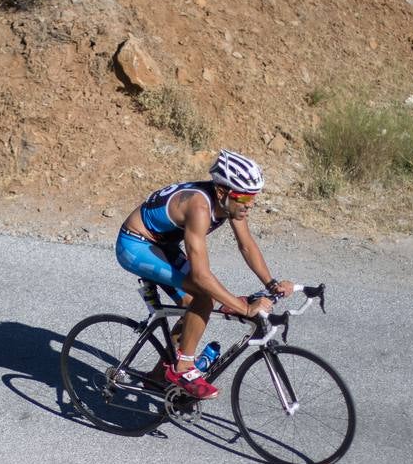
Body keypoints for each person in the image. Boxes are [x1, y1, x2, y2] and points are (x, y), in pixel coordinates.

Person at [116, 150, 294, 400]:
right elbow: (201, 276)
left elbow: (246, 245)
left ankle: (158, 377)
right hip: (135, 246)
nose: (250, 204)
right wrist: (242, 308)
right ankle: (183, 368)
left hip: (162, 245)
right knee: (203, 298)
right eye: (244, 197)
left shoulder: (231, 204)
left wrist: (271, 283)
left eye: (254, 196)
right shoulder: (199, 207)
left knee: (193, 308)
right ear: (222, 192)